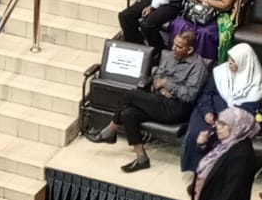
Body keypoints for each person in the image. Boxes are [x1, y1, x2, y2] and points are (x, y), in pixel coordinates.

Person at [89, 30, 208, 172]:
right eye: (174, 44)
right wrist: (160, 87)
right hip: (160, 99)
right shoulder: (172, 56)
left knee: (130, 95)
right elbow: (158, 75)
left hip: (177, 107)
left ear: (190, 50)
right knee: (128, 114)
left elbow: (190, 95)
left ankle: (110, 131)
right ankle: (141, 158)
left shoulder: (198, 67)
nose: (174, 48)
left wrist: (167, 84)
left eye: (179, 47)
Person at [182, 41, 262, 178]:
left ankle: (213, 173)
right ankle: (196, 170)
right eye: (230, 59)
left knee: (216, 137)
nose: (230, 63)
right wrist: (207, 112)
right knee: (196, 133)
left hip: (233, 120)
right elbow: (206, 94)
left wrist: (223, 121)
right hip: (210, 109)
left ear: (245, 63)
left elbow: (249, 111)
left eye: (234, 61)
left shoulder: (255, 83)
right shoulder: (221, 72)